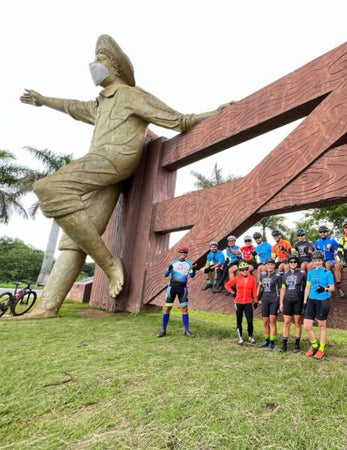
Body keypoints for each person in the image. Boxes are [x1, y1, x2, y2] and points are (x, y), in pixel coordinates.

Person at [20, 34, 233, 318]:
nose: (94, 66)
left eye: (100, 60)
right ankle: (48, 307)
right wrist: (42, 99)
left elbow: (179, 120)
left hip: (115, 160)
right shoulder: (98, 105)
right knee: (78, 236)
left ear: (116, 68)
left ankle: (109, 263)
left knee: (46, 187)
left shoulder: (132, 95)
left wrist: (215, 113)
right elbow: (71, 106)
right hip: (102, 171)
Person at [158, 246, 196, 338]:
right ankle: (163, 330)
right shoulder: (173, 263)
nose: (183, 254)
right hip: (172, 288)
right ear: (178, 253)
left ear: (187, 254)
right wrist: (170, 269)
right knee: (167, 308)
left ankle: (187, 330)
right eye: (181, 252)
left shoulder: (189, 264)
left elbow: (192, 275)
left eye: (185, 253)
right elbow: (165, 275)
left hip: (182, 289)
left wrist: (194, 270)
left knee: (185, 309)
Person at [303, 251, 335, 360]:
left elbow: (332, 288)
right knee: (307, 326)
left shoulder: (327, 273)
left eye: (319, 260)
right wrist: (304, 301)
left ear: (322, 261)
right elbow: (308, 287)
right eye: (315, 261)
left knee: (322, 326)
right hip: (311, 300)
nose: (317, 262)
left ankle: (321, 349)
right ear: (313, 262)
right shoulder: (310, 273)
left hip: (323, 301)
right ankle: (314, 345)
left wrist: (325, 289)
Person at [225, 262, 258, 345]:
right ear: (239, 271)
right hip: (238, 302)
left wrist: (256, 301)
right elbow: (227, 285)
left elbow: (254, 290)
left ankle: (250, 337)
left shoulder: (252, 278)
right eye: (242, 270)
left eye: (246, 269)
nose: (244, 271)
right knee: (239, 321)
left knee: (250, 321)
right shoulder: (237, 278)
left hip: (248, 302)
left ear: (248, 270)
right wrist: (233, 292)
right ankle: (240, 338)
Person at [279, 256, 306, 352]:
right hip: (287, 300)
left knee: (297, 323)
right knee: (286, 323)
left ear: (297, 263)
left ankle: (297, 345)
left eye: (295, 261)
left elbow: (306, 287)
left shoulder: (302, 274)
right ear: (288, 263)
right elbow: (283, 289)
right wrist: (281, 303)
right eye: (291, 262)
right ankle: (284, 345)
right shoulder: (285, 275)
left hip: (298, 300)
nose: (293, 263)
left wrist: (305, 301)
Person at [258, 258, 282, 349]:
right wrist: (258, 298)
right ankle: (266, 341)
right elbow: (260, 287)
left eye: (271, 264)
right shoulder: (263, 275)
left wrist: (280, 303)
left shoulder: (278, 276)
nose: (269, 266)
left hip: (274, 301)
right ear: (265, 266)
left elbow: (280, 290)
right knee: (265, 322)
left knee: (272, 322)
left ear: (274, 266)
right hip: (265, 300)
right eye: (268, 265)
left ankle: (272, 342)